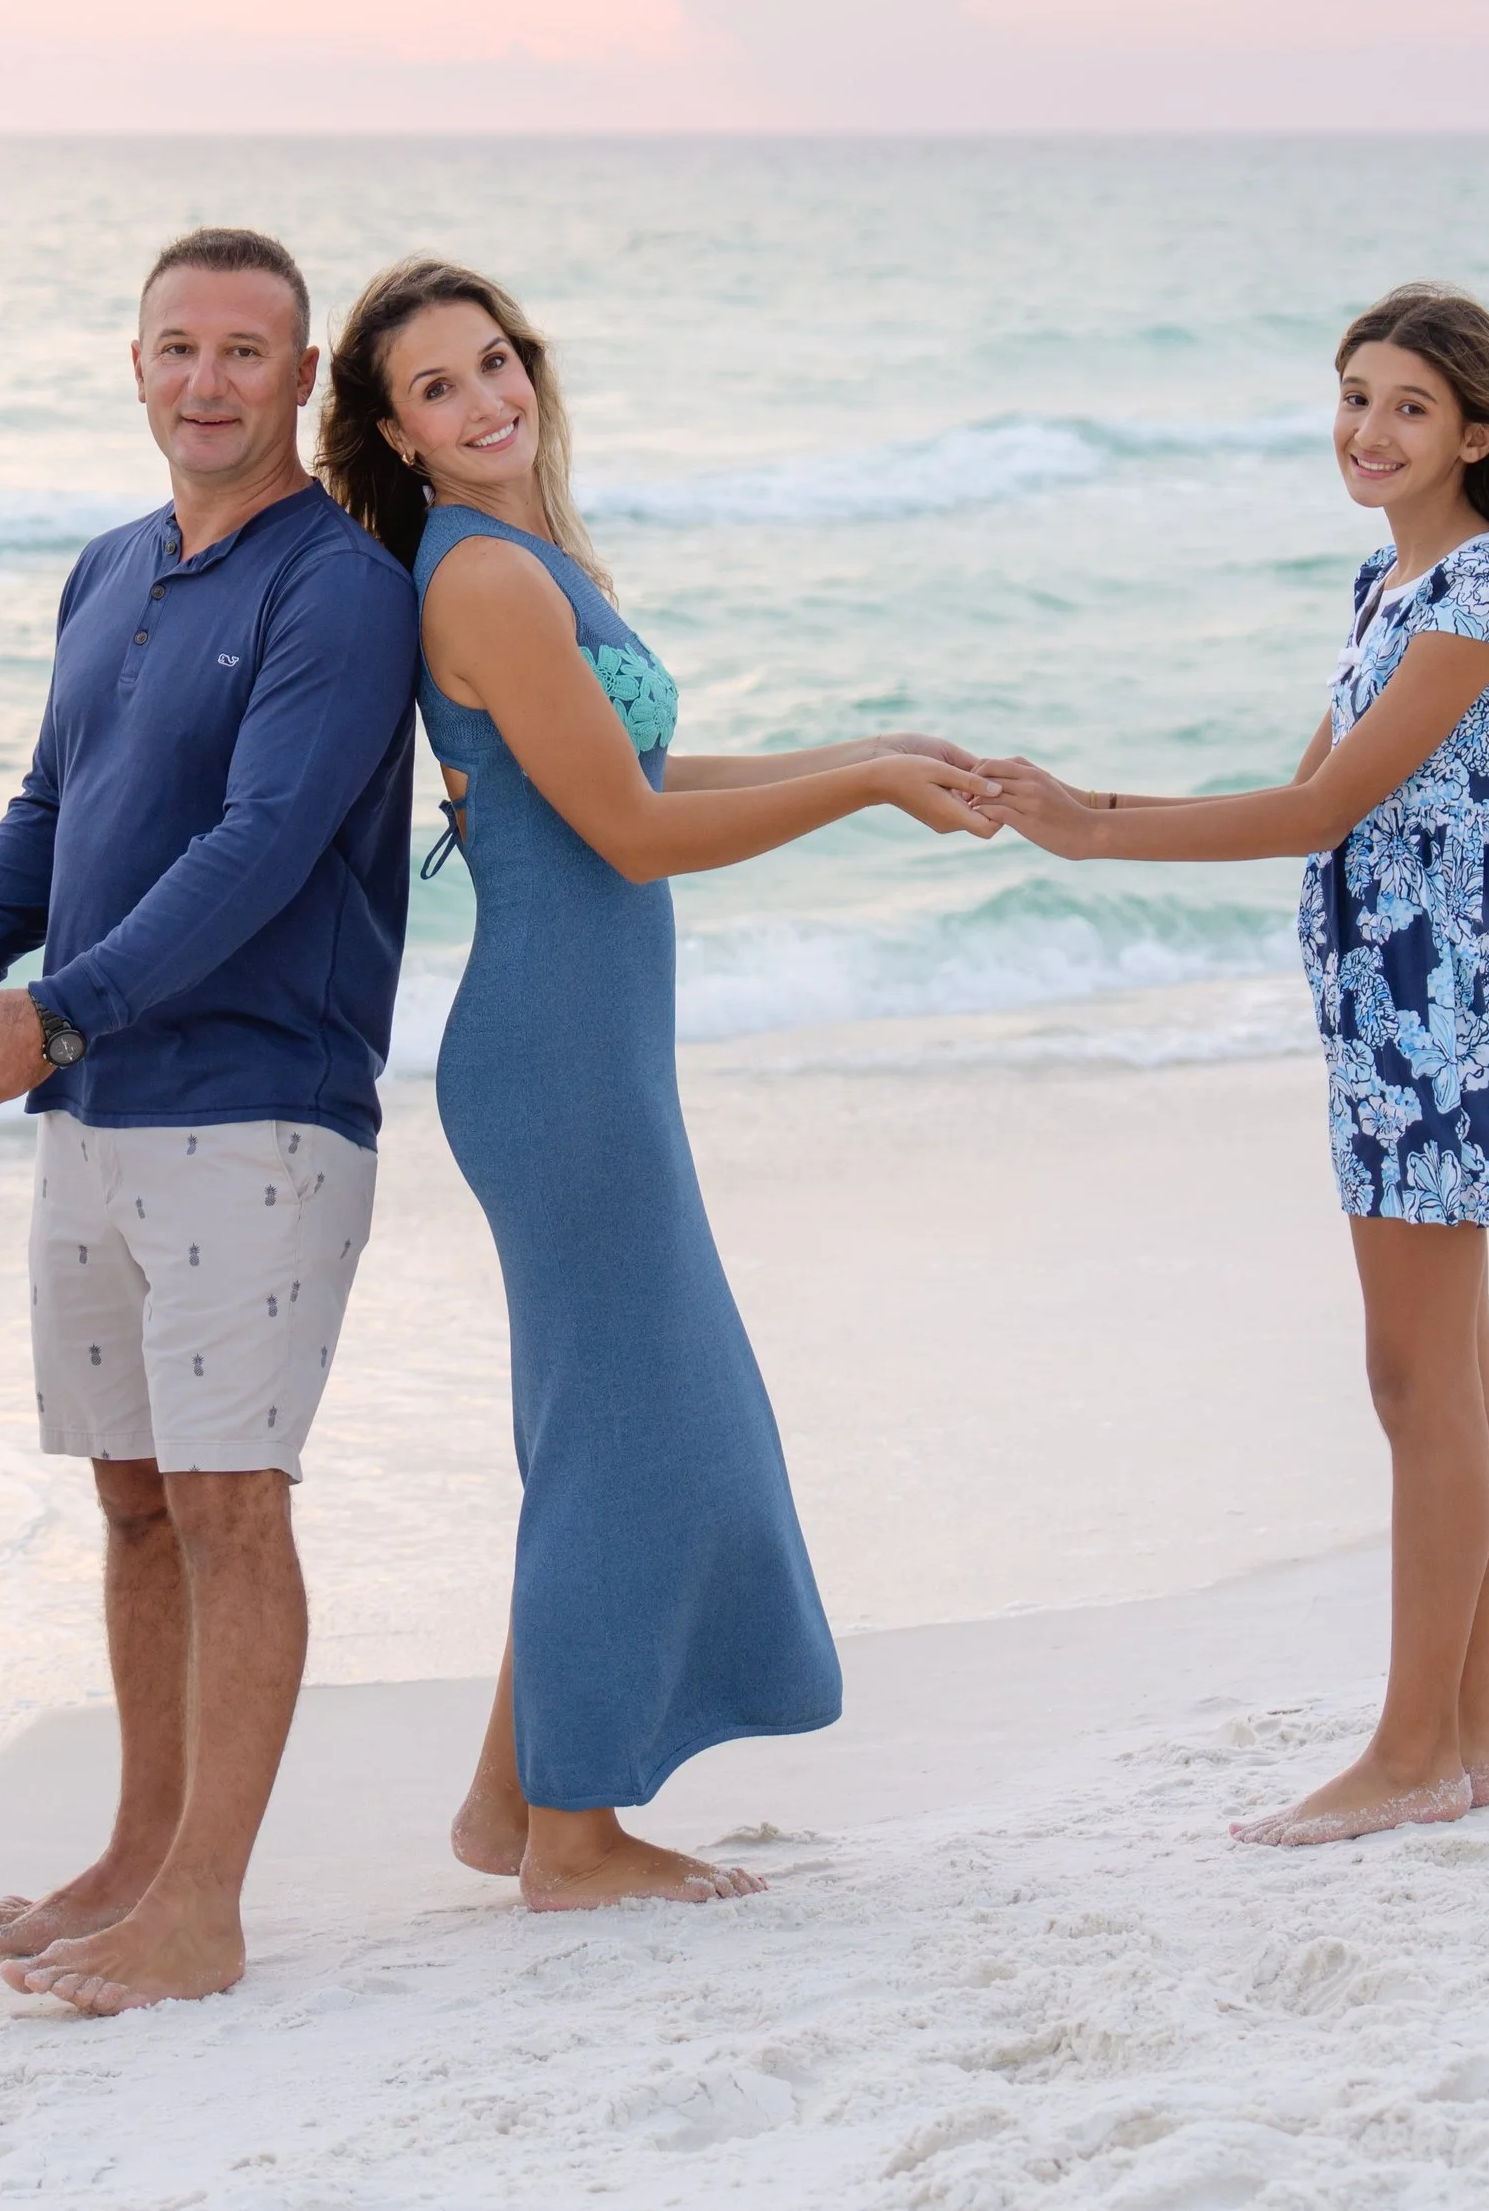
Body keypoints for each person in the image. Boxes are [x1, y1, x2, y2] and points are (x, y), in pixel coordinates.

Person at [315, 258, 1001, 1910]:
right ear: (398, 436)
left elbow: (626, 773)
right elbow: (630, 833)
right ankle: (572, 1841)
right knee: (640, 1431)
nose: (486, 402)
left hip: (591, 1045)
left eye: (497, 364)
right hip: (556, 1054)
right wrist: (862, 798)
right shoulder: (478, 581)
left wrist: (865, 752)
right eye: (439, 389)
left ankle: (511, 1802)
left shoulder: (534, 562)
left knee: (602, 1428)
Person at [988, 285, 1489, 1847]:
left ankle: (1410, 1751)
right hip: (1398, 1007)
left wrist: (1081, 822)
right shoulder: (1394, 581)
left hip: (1444, 1016)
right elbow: (1306, 792)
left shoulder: (1481, 592)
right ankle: (1468, 1740)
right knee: (1458, 1368)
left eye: (1408, 408)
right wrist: (1089, 810)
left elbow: (1319, 814)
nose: (1368, 431)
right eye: (1354, 396)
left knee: (1415, 1376)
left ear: (1478, 436)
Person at [0, 227, 419, 2016]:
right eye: (178, 347)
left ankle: (204, 1912)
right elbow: (51, 806)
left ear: (303, 382)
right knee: (137, 1504)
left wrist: (53, 1006)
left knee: (235, 1507)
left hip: (258, 1112)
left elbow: (257, 848)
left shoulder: (340, 588)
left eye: (248, 352)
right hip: (93, 1110)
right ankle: (138, 1854)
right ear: (136, 363)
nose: (208, 381)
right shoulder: (107, 569)